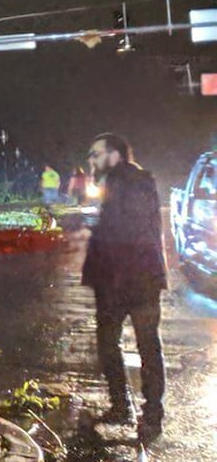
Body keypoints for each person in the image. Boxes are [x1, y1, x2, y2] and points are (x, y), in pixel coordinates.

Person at [81, 132, 167, 442]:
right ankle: (141, 410)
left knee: (120, 344)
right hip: (138, 279)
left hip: (126, 280)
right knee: (142, 345)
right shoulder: (129, 180)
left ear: (114, 153)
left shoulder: (125, 182)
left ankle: (135, 410)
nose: (92, 160)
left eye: (96, 153)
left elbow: (121, 231)